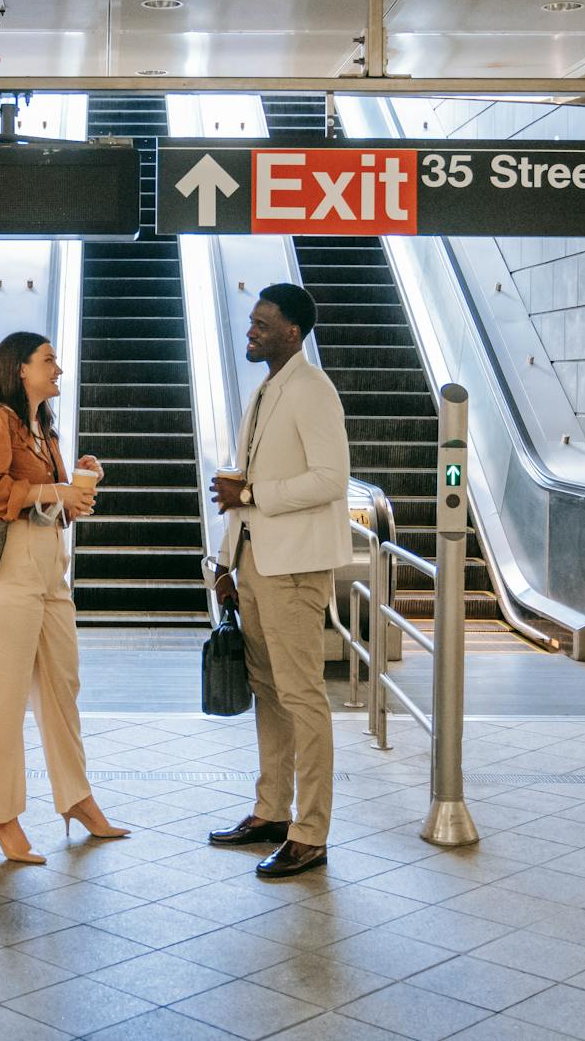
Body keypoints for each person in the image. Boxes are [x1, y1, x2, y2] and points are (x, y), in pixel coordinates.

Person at [0, 330, 130, 864]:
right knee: (1, 698)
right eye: (48, 360)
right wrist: (53, 491)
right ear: (19, 368)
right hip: (1, 571)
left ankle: (76, 797)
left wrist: (75, 491)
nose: (58, 368)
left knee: (61, 687)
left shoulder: (43, 429)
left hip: (48, 565)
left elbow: (48, 502)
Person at [207, 283, 351, 879]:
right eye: (251, 322)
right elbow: (241, 486)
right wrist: (225, 560)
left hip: (294, 570)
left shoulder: (313, 392)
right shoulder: (267, 391)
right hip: (256, 563)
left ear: (292, 331)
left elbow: (331, 479)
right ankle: (271, 811)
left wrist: (255, 495)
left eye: (262, 323)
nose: (251, 330)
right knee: (269, 693)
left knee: (301, 697)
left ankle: (310, 833)